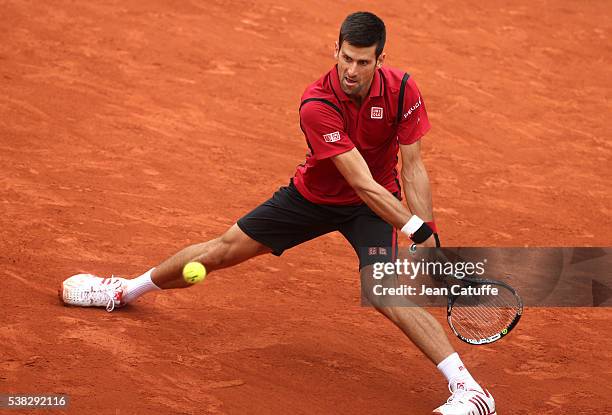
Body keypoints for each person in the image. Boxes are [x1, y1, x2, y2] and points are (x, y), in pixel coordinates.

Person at [60, 12, 496, 415]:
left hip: (371, 208)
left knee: (383, 290)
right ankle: (123, 291)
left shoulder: (402, 89)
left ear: (381, 59)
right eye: (346, 58)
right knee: (220, 252)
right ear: (335, 50)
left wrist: (433, 238)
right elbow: (359, 180)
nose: (351, 70)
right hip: (314, 199)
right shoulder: (317, 103)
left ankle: (470, 391)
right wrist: (414, 226)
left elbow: (413, 166)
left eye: (363, 62)